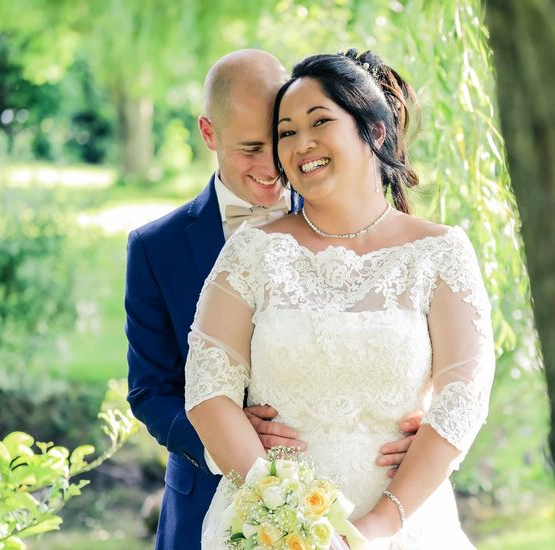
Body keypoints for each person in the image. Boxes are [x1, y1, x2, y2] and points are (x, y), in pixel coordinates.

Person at [185, 49, 495, 548]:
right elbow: (207, 387)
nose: (301, 143)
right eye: (286, 132)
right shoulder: (253, 251)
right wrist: (286, 513)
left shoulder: (439, 252)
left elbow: (465, 394)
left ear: (373, 131)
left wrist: (372, 529)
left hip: (402, 523)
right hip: (273, 527)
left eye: (319, 122)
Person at [125, 49, 420, 550]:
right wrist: (223, 442)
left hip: (350, 498)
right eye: (249, 148)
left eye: (278, 140)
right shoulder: (156, 248)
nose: (273, 166)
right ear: (208, 134)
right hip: (206, 500)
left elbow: (396, 324)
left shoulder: (346, 211)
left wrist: (411, 411)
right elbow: (150, 389)